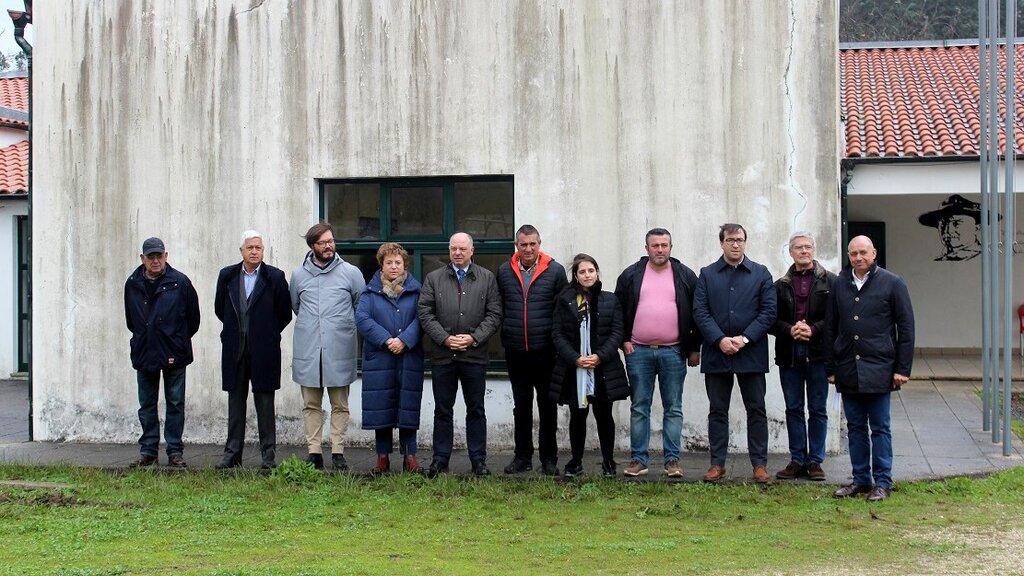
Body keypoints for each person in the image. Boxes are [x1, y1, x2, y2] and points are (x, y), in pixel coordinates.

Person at [826, 235, 914, 502]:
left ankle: (883, 482)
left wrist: (902, 368)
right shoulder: (839, 283)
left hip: (880, 367)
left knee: (880, 427)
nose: (858, 258)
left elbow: (906, 328)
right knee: (855, 428)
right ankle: (861, 479)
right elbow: (830, 328)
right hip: (847, 367)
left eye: (863, 252)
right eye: (853, 253)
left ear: (874, 253)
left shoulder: (893, 282)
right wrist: (831, 367)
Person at [614, 228, 701, 478]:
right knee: (639, 407)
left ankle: (672, 461)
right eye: (655, 245)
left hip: (674, 351)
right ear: (647, 248)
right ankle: (638, 460)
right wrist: (623, 340)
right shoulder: (631, 275)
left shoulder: (685, 275)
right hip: (638, 350)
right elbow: (618, 310)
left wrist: (694, 348)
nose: (660, 250)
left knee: (673, 407)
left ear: (671, 247)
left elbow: (698, 312)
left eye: (664, 245)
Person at [693, 223, 777, 484]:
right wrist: (719, 339)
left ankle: (759, 465)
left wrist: (744, 338)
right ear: (722, 243)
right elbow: (700, 312)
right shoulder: (707, 274)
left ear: (745, 242)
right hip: (717, 353)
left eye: (739, 239)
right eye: (730, 240)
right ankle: (717, 464)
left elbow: (769, 312)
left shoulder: (761, 273)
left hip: (751, 353)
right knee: (718, 410)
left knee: (757, 410)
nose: (735, 244)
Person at [418, 232, 503, 477]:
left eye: (462, 249)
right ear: (449, 250)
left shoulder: (487, 278)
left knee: (476, 409)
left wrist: (474, 338)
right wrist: (445, 338)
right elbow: (425, 312)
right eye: (453, 248)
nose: (457, 252)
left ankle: (478, 461)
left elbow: (494, 313)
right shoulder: (434, 278)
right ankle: (440, 460)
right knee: (443, 410)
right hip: (443, 356)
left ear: (472, 251)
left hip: (474, 355)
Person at [214, 230, 293, 470]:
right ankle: (232, 455)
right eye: (250, 248)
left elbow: (284, 313)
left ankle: (268, 457)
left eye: (258, 248)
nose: (254, 252)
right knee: (235, 404)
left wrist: (267, 333)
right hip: (235, 350)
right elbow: (220, 309)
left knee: (265, 405)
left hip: (264, 351)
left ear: (263, 250)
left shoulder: (275, 277)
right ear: (242, 251)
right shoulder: (227, 276)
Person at [290, 222, 365, 471]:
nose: (328, 246)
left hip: (339, 348)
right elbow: (296, 306)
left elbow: (360, 306)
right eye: (322, 243)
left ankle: (338, 452)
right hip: (309, 348)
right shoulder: (298, 275)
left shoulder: (351, 273)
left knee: (340, 405)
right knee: (311, 404)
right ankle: (314, 452)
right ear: (312, 246)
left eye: (331, 241)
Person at [123, 237, 200, 468]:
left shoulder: (180, 282)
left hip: (174, 351)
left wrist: (175, 339)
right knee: (146, 404)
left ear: (166, 256)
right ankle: (148, 451)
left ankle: (175, 451)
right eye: (151, 257)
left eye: (159, 256)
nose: (155, 261)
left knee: (175, 403)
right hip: (144, 351)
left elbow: (193, 319)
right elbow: (131, 320)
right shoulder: (132, 283)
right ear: (142, 258)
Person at [497, 224, 567, 476]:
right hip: (516, 350)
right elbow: (500, 306)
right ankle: (522, 457)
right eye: (523, 244)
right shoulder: (504, 271)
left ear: (539, 244)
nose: (528, 249)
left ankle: (549, 459)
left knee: (548, 407)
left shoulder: (555, 271)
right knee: (521, 406)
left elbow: (562, 311)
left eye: (532, 244)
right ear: (517, 246)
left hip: (546, 351)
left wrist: (558, 343)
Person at [549, 254, 628, 478]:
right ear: (576, 276)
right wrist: (575, 357)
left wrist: (600, 356)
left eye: (591, 271)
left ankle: (608, 462)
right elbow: (557, 333)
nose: (587, 275)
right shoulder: (565, 300)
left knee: (604, 416)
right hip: (575, 368)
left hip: (603, 368)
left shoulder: (610, 300)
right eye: (582, 272)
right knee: (577, 416)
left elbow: (617, 332)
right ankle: (576, 462)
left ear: (597, 273)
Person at [768, 232, 836, 481]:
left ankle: (815, 461)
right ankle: (797, 460)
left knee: (818, 409)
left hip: (819, 353)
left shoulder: (832, 282)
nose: (804, 251)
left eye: (808, 247)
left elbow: (837, 318)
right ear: (791, 252)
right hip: (790, 353)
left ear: (814, 250)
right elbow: (770, 319)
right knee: (793, 409)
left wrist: (813, 329)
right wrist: (790, 330)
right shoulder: (780, 285)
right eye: (798, 247)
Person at [356, 242, 424, 474]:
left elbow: (423, 318)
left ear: (405, 265)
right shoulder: (369, 292)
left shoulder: (416, 291)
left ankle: (410, 455)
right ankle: (382, 456)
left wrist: (404, 340)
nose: (394, 267)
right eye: (389, 263)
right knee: (381, 407)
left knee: (408, 405)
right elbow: (362, 319)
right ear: (381, 265)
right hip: (380, 358)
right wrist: (386, 340)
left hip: (408, 357)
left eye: (398, 262)